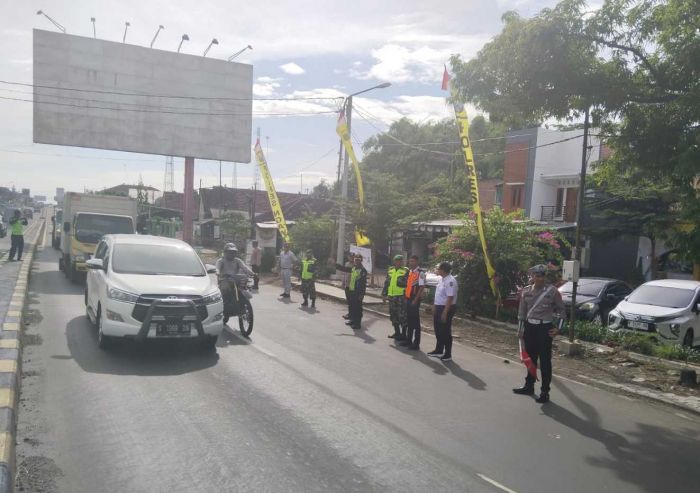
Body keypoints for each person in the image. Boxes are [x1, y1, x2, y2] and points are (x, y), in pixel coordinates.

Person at [513, 264, 566, 404]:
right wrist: (520, 329)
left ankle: (545, 391)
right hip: (530, 328)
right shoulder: (526, 291)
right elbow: (521, 313)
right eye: (536, 275)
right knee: (530, 359)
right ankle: (529, 385)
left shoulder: (552, 291)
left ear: (545, 277)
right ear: (532, 276)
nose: (539, 278)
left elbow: (562, 310)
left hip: (544, 329)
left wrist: (558, 329)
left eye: (541, 276)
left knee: (545, 361)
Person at [428, 262, 458, 362]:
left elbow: (450, 298)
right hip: (439, 307)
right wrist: (434, 306)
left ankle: (447, 354)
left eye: (438, 269)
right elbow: (439, 295)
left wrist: (445, 312)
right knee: (438, 329)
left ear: (443, 270)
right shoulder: (442, 279)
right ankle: (439, 350)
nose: (437, 270)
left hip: (447, 308)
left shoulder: (450, 281)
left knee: (445, 331)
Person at [216, 243, 255, 321]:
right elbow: (217, 268)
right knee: (225, 292)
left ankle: (243, 305)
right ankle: (224, 308)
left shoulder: (237, 260)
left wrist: (253, 273)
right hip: (224, 281)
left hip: (236, 280)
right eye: (230, 252)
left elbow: (245, 268)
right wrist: (217, 272)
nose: (232, 254)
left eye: (233, 252)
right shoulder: (221, 260)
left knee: (245, 288)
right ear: (225, 252)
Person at [400, 255, 426, 350]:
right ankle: (408, 340)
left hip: (415, 300)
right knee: (409, 321)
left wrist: (415, 300)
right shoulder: (411, 272)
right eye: (410, 261)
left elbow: (422, 287)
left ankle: (416, 344)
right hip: (408, 298)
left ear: (417, 262)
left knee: (415, 322)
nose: (411, 263)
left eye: (413, 261)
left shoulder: (421, 273)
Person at [336, 254, 367, 330]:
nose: (356, 261)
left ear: (361, 261)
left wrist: (362, 294)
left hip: (358, 293)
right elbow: (344, 269)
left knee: (358, 309)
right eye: (355, 260)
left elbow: (363, 284)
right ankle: (352, 321)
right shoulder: (353, 268)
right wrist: (335, 264)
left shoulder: (363, 270)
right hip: (352, 290)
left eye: (358, 260)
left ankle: (357, 324)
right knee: (352, 307)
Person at [382, 255, 409, 340]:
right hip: (391, 296)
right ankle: (397, 333)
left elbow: (408, 283)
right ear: (394, 261)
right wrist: (384, 293)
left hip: (401, 297)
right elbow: (387, 282)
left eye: (400, 260)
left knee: (402, 316)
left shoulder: (405, 270)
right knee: (393, 315)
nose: (398, 262)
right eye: (397, 260)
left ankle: (403, 335)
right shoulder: (390, 270)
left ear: (402, 262)